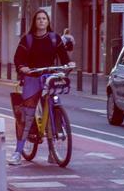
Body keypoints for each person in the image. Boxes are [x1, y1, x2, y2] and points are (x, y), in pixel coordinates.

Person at [9, 9, 75, 165]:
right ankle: (18, 151)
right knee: (27, 115)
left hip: (49, 77)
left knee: (53, 106)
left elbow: (63, 55)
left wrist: (69, 63)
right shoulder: (28, 39)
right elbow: (18, 58)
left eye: (44, 18)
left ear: (48, 21)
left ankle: (53, 151)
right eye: (38, 18)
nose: (41, 21)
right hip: (32, 77)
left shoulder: (54, 38)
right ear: (34, 21)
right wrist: (23, 68)